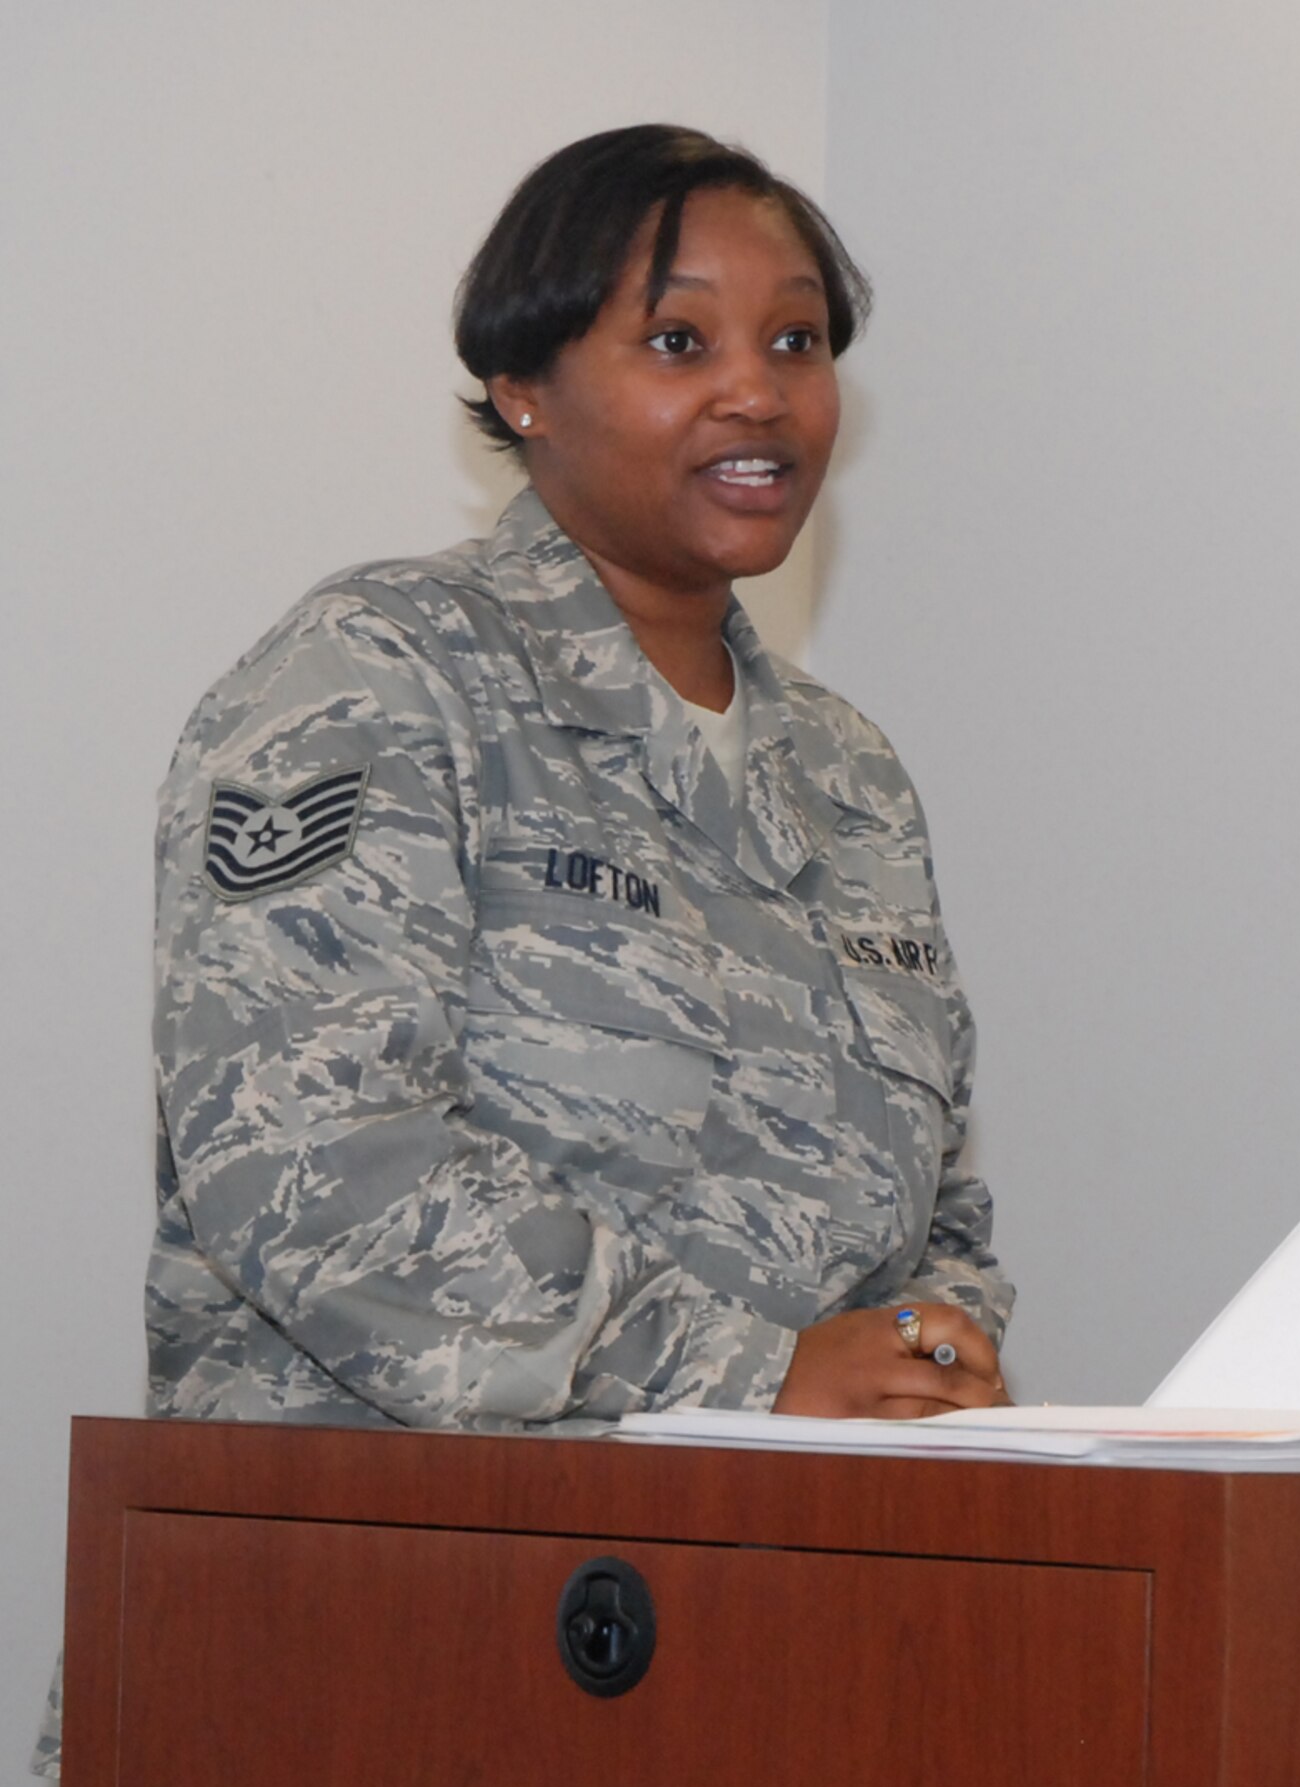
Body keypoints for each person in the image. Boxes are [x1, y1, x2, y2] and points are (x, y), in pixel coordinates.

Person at [146, 123, 1014, 1437]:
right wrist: (756, 1378)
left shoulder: (851, 776)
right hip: (380, 1575)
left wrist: (925, 1355)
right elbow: (315, 1165)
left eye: (797, 342)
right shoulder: (378, 676)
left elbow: (936, 1204)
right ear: (521, 386)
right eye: (679, 343)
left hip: (790, 1571)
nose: (758, 393)